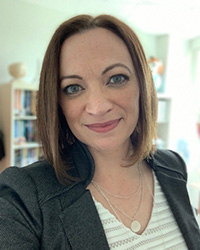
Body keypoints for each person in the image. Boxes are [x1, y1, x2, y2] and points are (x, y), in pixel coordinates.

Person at [0, 15, 199, 250]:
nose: (98, 107)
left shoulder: (173, 167)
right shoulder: (22, 196)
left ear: (142, 86)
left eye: (116, 78)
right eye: (73, 88)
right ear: (58, 102)